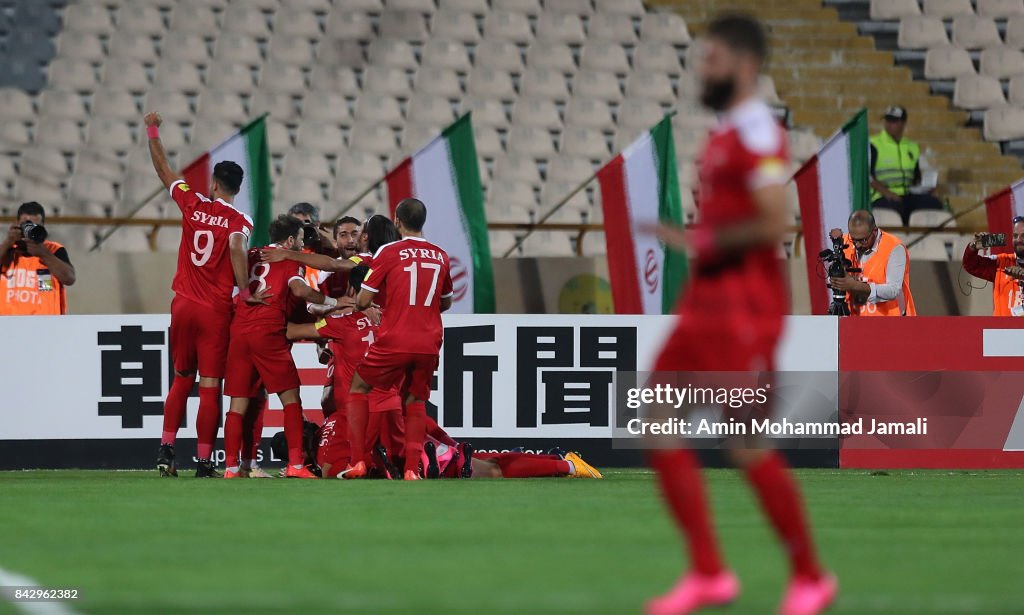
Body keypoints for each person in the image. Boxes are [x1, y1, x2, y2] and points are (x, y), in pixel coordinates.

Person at [643, 15, 836, 615]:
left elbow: (775, 222)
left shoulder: (758, 132)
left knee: (746, 442)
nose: (704, 68)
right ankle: (708, 572)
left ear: (745, 65)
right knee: (655, 418)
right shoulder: (730, 130)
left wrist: (700, 242)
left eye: (715, 59)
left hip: (744, 306)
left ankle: (808, 576)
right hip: (705, 301)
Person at [144, 111, 255, 478]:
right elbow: (238, 249)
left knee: (180, 378)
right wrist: (244, 289)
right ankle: (205, 461)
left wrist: (153, 129)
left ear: (214, 183)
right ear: (237, 189)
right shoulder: (240, 222)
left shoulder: (193, 203)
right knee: (210, 386)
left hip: (183, 304)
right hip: (215, 310)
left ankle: (166, 449)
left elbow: (164, 170)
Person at [220, 215, 339, 479]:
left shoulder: (251, 254)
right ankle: (296, 465)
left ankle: (230, 468)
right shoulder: (288, 260)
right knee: (291, 400)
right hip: (268, 332)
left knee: (237, 405)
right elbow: (300, 291)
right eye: (299, 239)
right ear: (289, 240)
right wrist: (332, 302)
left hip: (239, 331)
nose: (301, 244)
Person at [346, 198, 454, 481]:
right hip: (429, 340)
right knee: (416, 401)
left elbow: (363, 300)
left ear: (396, 220)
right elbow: (446, 301)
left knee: (358, 386)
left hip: (395, 338)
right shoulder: (441, 255)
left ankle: (357, 461)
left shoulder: (388, 252)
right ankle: (410, 469)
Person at [829, 210, 916, 317]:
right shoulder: (846, 242)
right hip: (855, 319)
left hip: (890, 321)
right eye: (854, 240)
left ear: (875, 231)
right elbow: (834, 278)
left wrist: (855, 285)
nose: (858, 245)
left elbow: (893, 290)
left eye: (863, 240)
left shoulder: (894, 247)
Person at [869, 105, 944, 226]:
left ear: (903, 123)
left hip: (907, 195)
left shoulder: (912, 147)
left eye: (894, 121)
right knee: (897, 208)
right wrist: (888, 193)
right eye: (888, 120)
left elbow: (915, 178)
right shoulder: (873, 144)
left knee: (934, 204)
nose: (889, 124)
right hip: (881, 196)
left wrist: (925, 188)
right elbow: (867, 176)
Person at [0, 201, 75, 315]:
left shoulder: (53, 249)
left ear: (43, 227)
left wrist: (44, 253)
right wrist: (8, 242)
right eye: (26, 225)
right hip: (9, 326)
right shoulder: (7, 250)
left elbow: (69, 278)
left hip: (46, 326)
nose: (30, 230)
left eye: (36, 227)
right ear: (17, 224)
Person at [962, 217, 1024, 316]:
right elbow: (971, 265)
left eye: (1023, 236)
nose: (1019, 240)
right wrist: (973, 247)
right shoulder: (1002, 262)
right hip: (1001, 329)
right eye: (1015, 236)